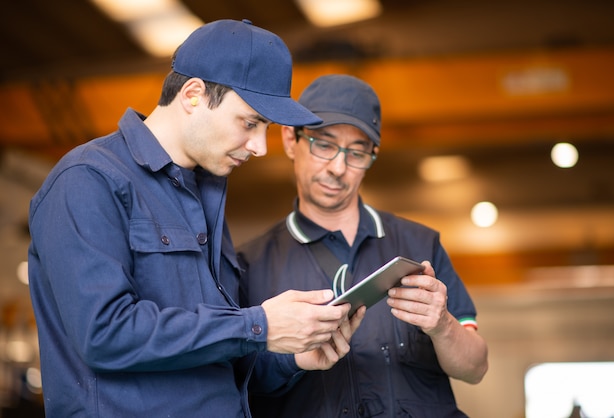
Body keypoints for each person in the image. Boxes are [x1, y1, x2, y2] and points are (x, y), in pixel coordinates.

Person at [27, 20, 364, 417]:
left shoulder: (204, 194)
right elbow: (105, 334)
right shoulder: (88, 180)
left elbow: (212, 359)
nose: (259, 146)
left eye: (266, 128)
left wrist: (293, 355)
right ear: (192, 95)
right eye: (251, 123)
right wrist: (259, 325)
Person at [238, 74, 489, 417]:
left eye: (357, 153)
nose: (338, 168)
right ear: (289, 139)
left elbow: (475, 368)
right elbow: (237, 382)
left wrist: (442, 323)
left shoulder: (420, 245)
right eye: (323, 145)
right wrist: (294, 359)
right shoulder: (249, 264)